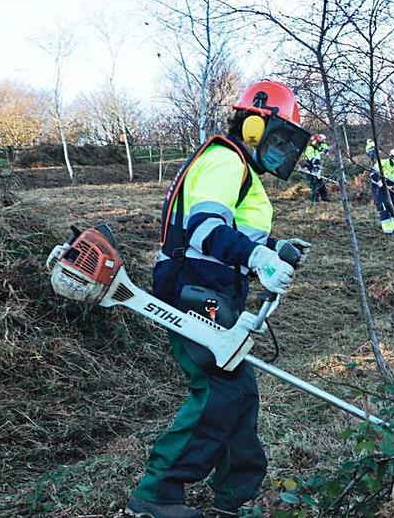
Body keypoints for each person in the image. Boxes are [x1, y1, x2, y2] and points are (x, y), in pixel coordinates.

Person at [126, 80, 313, 518]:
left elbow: (233, 235)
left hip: (212, 286)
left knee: (239, 393)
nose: (283, 149)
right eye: (279, 136)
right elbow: (205, 229)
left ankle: (237, 497)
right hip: (195, 288)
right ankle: (157, 493)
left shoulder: (237, 170)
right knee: (219, 389)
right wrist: (257, 257)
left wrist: (270, 249)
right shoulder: (226, 161)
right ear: (253, 126)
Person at [372, 146, 394, 234]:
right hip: (378, 188)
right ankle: (388, 230)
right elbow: (372, 173)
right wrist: (379, 180)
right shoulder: (382, 163)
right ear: (392, 157)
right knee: (383, 207)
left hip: (390, 189)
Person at [301, 133, 329, 202]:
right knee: (313, 184)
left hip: (317, 167)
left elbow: (325, 147)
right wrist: (313, 164)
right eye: (317, 142)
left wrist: (325, 148)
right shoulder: (310, 148)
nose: (319, 144)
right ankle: (314, 199)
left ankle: (324, 197)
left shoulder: (317, 149)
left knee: (320, 182)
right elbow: (310, 159)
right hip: (310, 167)